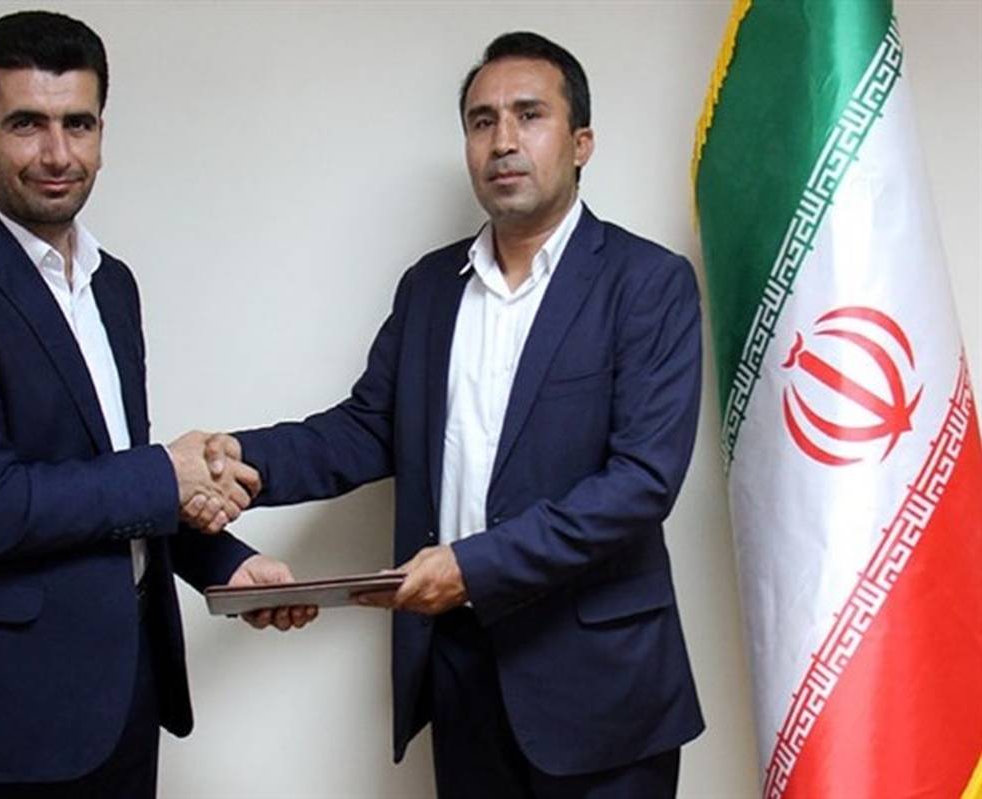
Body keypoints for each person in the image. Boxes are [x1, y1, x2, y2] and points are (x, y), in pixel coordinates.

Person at [208, 31, 704, 799]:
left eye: (529, 115)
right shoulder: (431, 287)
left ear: (581, 143)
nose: (503, 140)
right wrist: (238, 460)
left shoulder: (647, 283)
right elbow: (367, 429)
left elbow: (641, 482)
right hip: (461, 672)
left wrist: (472, 566)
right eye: (481, 121)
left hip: (602, 687)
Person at [0, 11, 312, 798]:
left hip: (128, 692)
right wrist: (168, 471)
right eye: (26, 125)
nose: (58, 153)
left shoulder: (113, 285)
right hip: (7, 714)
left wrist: (229, 565)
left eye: (78, 123)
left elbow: (113, 478)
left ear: (102, 131)